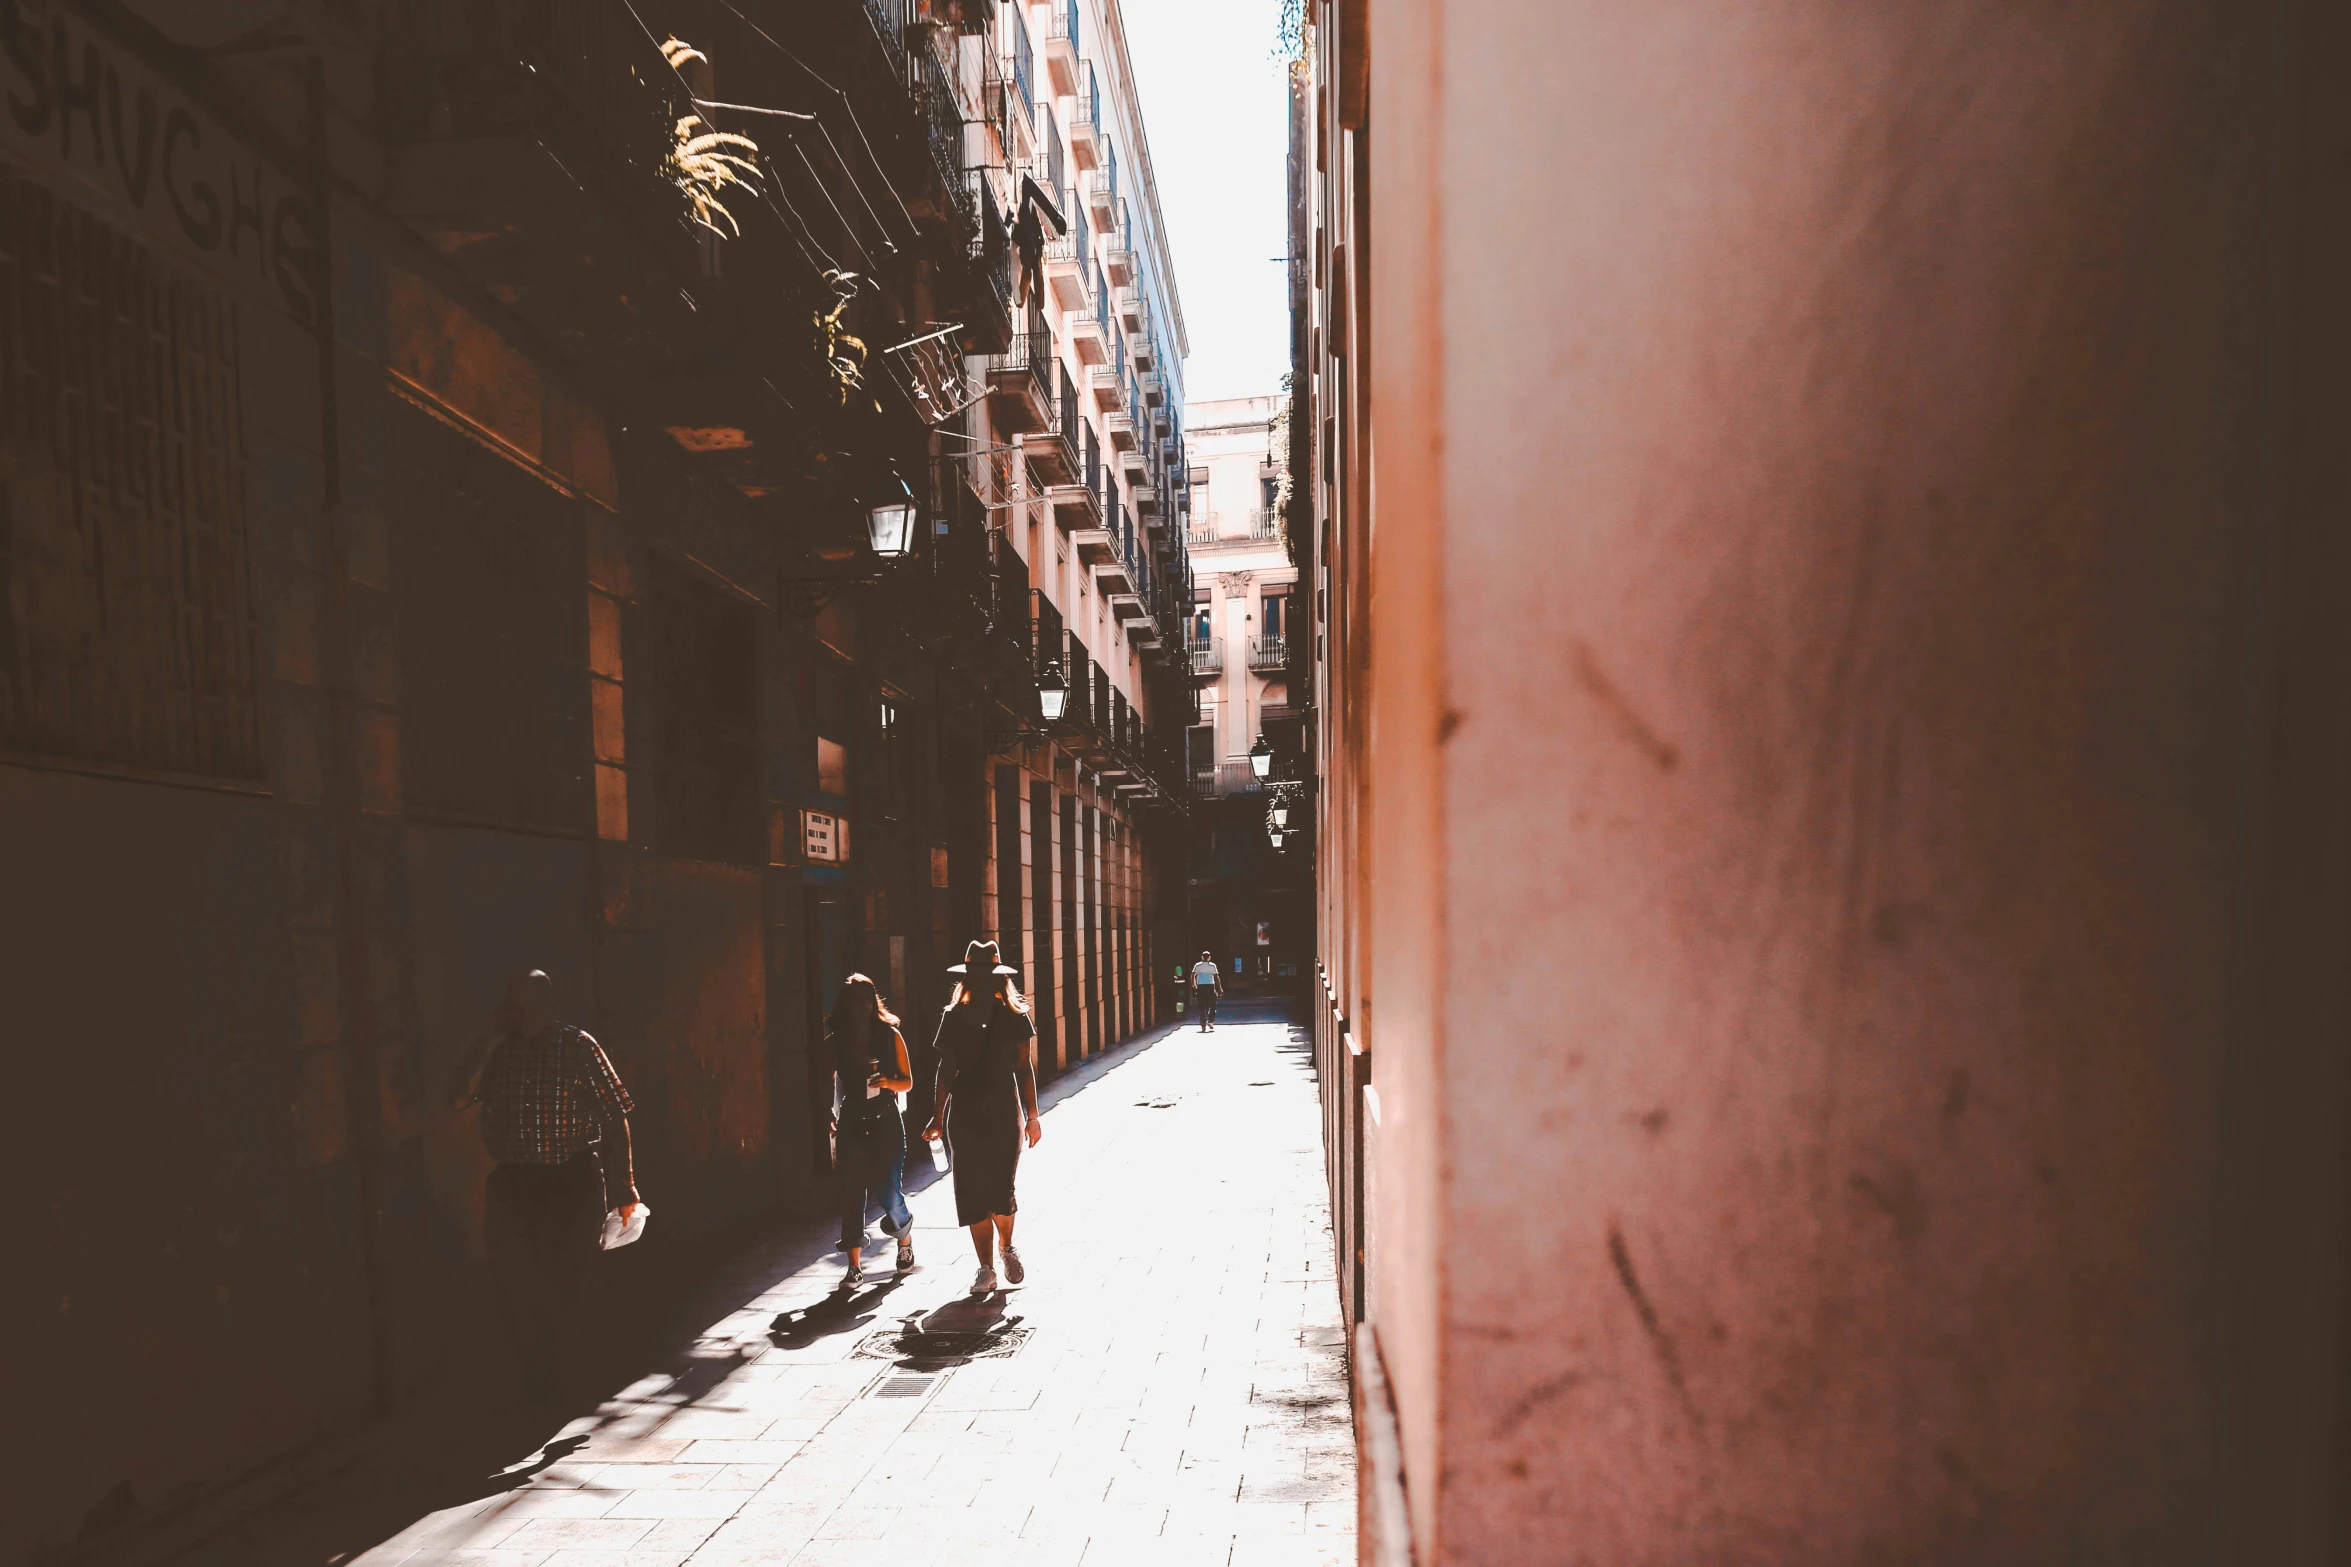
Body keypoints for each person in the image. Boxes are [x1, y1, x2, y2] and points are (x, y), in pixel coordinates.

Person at [449, 970, 640, 1403]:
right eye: (517, 1006)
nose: (525, 1015)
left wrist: (625, 1185)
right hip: (514, 1182)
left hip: (570, 1178)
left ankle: (570, 1372)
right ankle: (539, 1372)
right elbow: (457, 1096)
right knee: (516, 1280)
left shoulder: (577, 1045)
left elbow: (614, 1114)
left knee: (571, 1279)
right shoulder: (498, 1051)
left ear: (551, 1004)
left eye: (534, 1005)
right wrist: (486, 1040)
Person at [924, 940, 1041, 1297]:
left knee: (1001, 1190)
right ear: (968, 977)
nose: (981, 980)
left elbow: (1024, 1068)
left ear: (998, 978)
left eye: (987, 974)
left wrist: (1033, 1115)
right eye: (976, 974)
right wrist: (936, 1117)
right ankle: (986, 1268)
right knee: (972, 1193)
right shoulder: (954, 1016)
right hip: (966, 1114)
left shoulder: (1015, 1017)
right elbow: (945, 1070)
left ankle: (1007, 1247)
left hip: (1005, 1113)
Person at [828, 973, 915, 1287]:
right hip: (852, 1119)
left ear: (873, 1001)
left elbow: (907, 1081)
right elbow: (824, 1081)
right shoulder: (836, 1040)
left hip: (886, 1118)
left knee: (889, 1192)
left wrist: (887, 1082)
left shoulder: (889, 1035)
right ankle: (853, 1266)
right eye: (854, 1000)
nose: (860, 1006)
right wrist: (827, 1111)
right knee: (851, 1193)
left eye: (866, 999)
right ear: (845, 1005)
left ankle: (904, 1240)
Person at [1191, 950, 1225, 1031]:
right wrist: (1220, 988)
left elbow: (1192, 976)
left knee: (1201, 1007)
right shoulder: (1212, 966)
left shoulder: (1197, 965)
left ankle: (1203, 1024)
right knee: (1212, 1005)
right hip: (1210, 987)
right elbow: (1216, 978)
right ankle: (1210, 1021)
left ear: (1202, 957)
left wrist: (1194, 985)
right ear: (1209, 958)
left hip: (1201, 987)